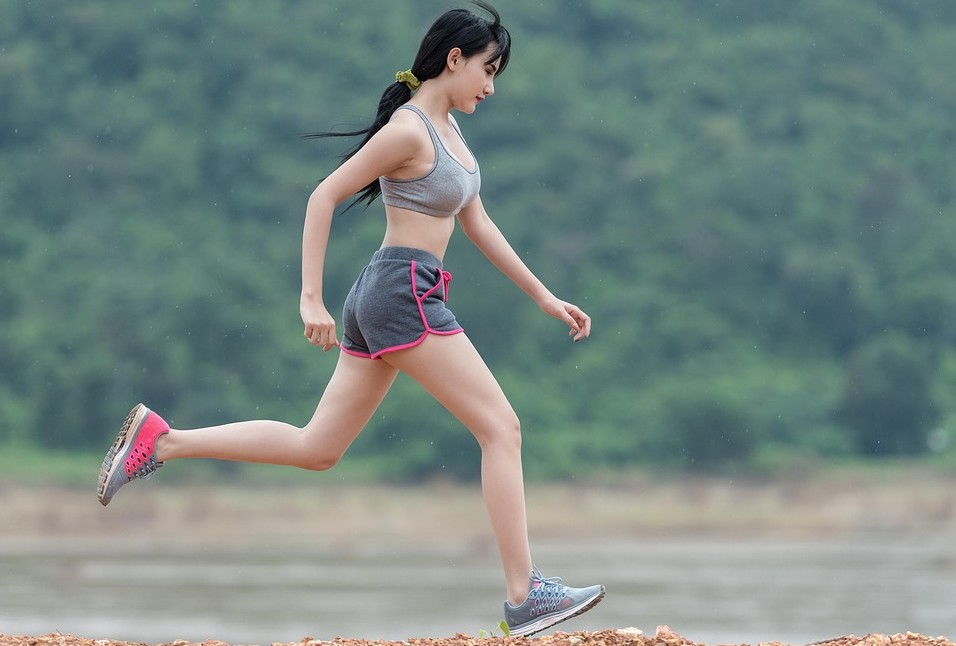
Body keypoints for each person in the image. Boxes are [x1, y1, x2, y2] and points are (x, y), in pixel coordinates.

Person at [96, 1, 604, 637]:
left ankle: (163, 442)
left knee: (318, 448)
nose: (491, 85)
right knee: (502, 428)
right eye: (487, 69)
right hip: (402, 295)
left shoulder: (450, 134)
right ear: (455, 59)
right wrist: (310, 298)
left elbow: (476, 221)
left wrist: (543, 296)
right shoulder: (410, 130)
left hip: (389, 295)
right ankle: (525, 594)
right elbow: (323, 196)